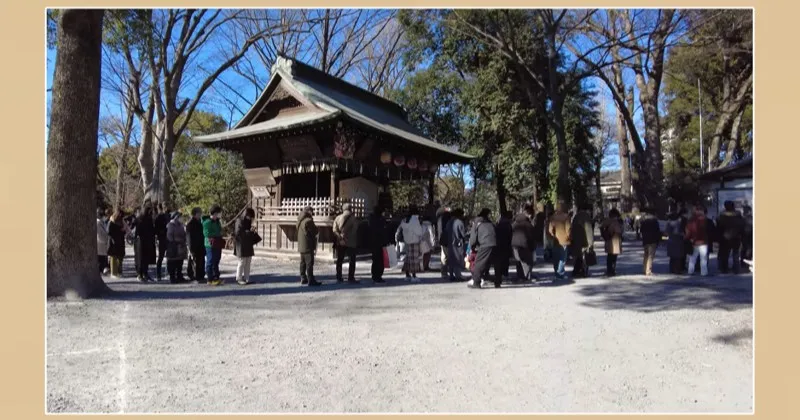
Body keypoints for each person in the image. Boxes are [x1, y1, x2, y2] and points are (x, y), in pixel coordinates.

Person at [467, 208, 500, 289]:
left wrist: (472, 247)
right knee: (496, 263)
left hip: (485, 244)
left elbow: (473, 238)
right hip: (495, 243)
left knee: (479, 263)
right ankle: (498, 282)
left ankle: (476, 283)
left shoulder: (477, 223)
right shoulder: (490, 223)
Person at [333, 203, 360, 284]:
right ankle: (350, 277)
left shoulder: (338, 218)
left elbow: (334, 230)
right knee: (352, 260)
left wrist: (340, 238)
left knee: (340, 260)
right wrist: (347, 238)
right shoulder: (353, 219)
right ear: (350, 209)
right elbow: (355, 230)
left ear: (343, 209)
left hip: (340, 242)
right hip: (351, 242)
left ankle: (339, 276)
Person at [717, 201, 745, 274]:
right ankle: (736, 269)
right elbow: (742, 226)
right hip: (736, 238)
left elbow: (719, 227)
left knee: (725, 255)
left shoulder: (722, 216)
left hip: (725, 238)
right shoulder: (738, 215)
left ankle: (724, 269)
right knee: (735, 254)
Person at [398, 206, 425, 282]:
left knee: (408, 259)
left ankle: (407, 275)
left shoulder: (405, 220)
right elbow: (419, 231)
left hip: (407, 241)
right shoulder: (415, 220)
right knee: (414, 259)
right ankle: (414, 276)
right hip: (414, 241)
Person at [297, 206, 322, 286]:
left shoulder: (300, 220)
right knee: (309, 263)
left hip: (301, 245)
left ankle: (303, 277)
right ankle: (311, 280)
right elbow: (314, 231)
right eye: (312, 212)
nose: (313, 214)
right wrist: (317, 229)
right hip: (308, 245)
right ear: (309, 212)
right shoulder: (309, 221)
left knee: (302, 262)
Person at [511, 204, 537, 282]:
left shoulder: (515, 222)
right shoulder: (528, 224)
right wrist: (532, 247)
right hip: (524, 244)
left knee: (518, 261)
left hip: (515, 244)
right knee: (527, 262)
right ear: (528, 214)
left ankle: (520, 276)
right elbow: (531, 236)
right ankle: (527, 277)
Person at [232, 208, 257, 285]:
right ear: (246, 215)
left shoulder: (248, 221)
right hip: (241, 244)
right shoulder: (239, 221)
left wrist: (252, 230)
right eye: (250, 216)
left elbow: (248, 230)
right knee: (242, 262)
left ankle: (247, 278)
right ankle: (239, 278)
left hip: (248, 244)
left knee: (248, 262)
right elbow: (238, 233)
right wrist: (248, 232)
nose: (250, 218)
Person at [547, 201, 571, 280]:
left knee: (556, 258)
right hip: (564, 240)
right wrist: (569, 237)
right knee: (562, 258)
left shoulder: (553, 217)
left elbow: (550, 229)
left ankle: (556, 273)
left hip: (556, 240)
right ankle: (560, 274)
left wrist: (553, 236)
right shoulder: (566, 217)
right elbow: (568, 229)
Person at [570, 205, 594, 278]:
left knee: (578, 256)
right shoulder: (586, 216)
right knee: (584, 257)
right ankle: (582, 272)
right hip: (584, 240)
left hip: (576, 240)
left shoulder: (576, 216)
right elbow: (588, 230)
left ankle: (576, 271)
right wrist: (591, 242)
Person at [686, 205, 710, 276]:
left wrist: (688, 238)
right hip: (703, 241)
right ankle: (704, 272)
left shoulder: (691, 219)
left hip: (694, 241)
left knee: (692, 258)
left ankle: (690, 271)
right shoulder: (706, 220)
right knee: (703, 258)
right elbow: (709, 230)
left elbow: (688, 230)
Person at [134, 204, 157, 282]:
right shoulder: (139, 219)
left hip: (148, 240)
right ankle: (139, 274)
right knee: (140, 258)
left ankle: (145, 273)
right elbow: (138, 231)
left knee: (146, 258)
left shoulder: (149, 219)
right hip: (140, 241)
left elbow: (152, 230)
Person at [203, 205, 224, 286]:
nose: (220, 215)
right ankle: (209, 279)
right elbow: (206, 233)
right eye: (219, 213)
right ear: (215, 213)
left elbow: (219, 230)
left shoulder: (217, 221)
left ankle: (216, 277)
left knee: (216, 260)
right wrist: (217, 234)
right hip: (210, 244)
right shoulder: (207, 222)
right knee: (210, 261)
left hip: (217, 243)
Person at [366, 206, 388, 283]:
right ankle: (378, 275)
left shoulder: (371, 219)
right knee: (380, 260)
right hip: (380, 242)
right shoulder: (381, 220)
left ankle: (374, 275)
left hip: (372, 241)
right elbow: (383, 231)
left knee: (375, 260)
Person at [445, 209, 468, 282]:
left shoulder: (449, 222)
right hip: (458, 243)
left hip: (449, 242)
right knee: (458, 259)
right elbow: (463, 234)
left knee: (451, 259)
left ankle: (451, 275)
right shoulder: (459, 222)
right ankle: (458, 275)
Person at [600, 208, 623, 277]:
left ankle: (609, 270)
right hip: (615, 240)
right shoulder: (617, 222)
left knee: (609, 256)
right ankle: (612, 270)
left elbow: (601, 227)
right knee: (614, 257)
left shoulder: (607, 221)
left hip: (608, 240)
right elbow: (619, 231)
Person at [165, 211, 187, 283]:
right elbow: (169, 236)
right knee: (172, 262)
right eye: (180, 217)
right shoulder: (171, 225)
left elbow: (184, 234)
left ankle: (179, 276)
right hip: (173, 246)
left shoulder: (181, 225)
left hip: (181, 246)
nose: (181, 218)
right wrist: (176, 241)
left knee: (180, 262)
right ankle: (172, 277)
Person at [185, 207, 206, 283]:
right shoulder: (190, 224)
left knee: (201, 261)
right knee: (194, 262)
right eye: (199, 213)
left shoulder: (200, 223)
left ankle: (201, 275)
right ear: (195, 214)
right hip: (194, 246)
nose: (200, 214)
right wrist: (190, 248)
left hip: (200, 245)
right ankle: (194, 276)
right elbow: (189, 237)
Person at [639, 207, 661, 277]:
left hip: (645, 240)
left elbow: (641, 230)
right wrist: (659, 239)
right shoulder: (655, 221)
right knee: (651, 256)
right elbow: (657, 231)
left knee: (646, 255)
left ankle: (644, 269)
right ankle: (648, 271)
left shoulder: (643, 221)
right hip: (653, 240)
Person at [494, 210, 513, 282]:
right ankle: (504, 274)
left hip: (498, 244)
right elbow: (510, 235)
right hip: (506, 245)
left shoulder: (498, 224)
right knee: (505, 260)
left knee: (499, 261)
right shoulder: (508, 225)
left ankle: (499, 274)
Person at [107, 210, 127, 278]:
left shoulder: (121, 221)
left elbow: (123, 231)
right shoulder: (111, 221)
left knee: (120, 257)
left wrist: (123, 231)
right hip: (113, 242)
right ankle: (113, 273)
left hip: (120, 241)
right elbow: (109, 231)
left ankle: (119, 271)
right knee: (113, 257)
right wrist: (118, 231)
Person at [154, 204, 171, 281]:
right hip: (162, 239)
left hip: (169, 239)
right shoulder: (159, 217)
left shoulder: (170, 216)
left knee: (170, 257)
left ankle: (169, 273)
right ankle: (158, 275)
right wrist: (164, 230)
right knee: (161, 257)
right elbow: (156, 230)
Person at [436, 207, 452, 278]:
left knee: (444, 255)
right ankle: (445, 271)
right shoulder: (446, 220)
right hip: (446, 239)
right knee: (446, 256)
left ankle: (444, 271)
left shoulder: (440, 219)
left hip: (442, 239)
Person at [96, 208, 110, 275]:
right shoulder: (97, 223)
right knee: (100, 259)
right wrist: (104, 240)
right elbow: (99, 235)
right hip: (100, 244)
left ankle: (103, 270)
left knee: (103, 258)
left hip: (103, 244)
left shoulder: (102, 222)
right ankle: (101, 271)